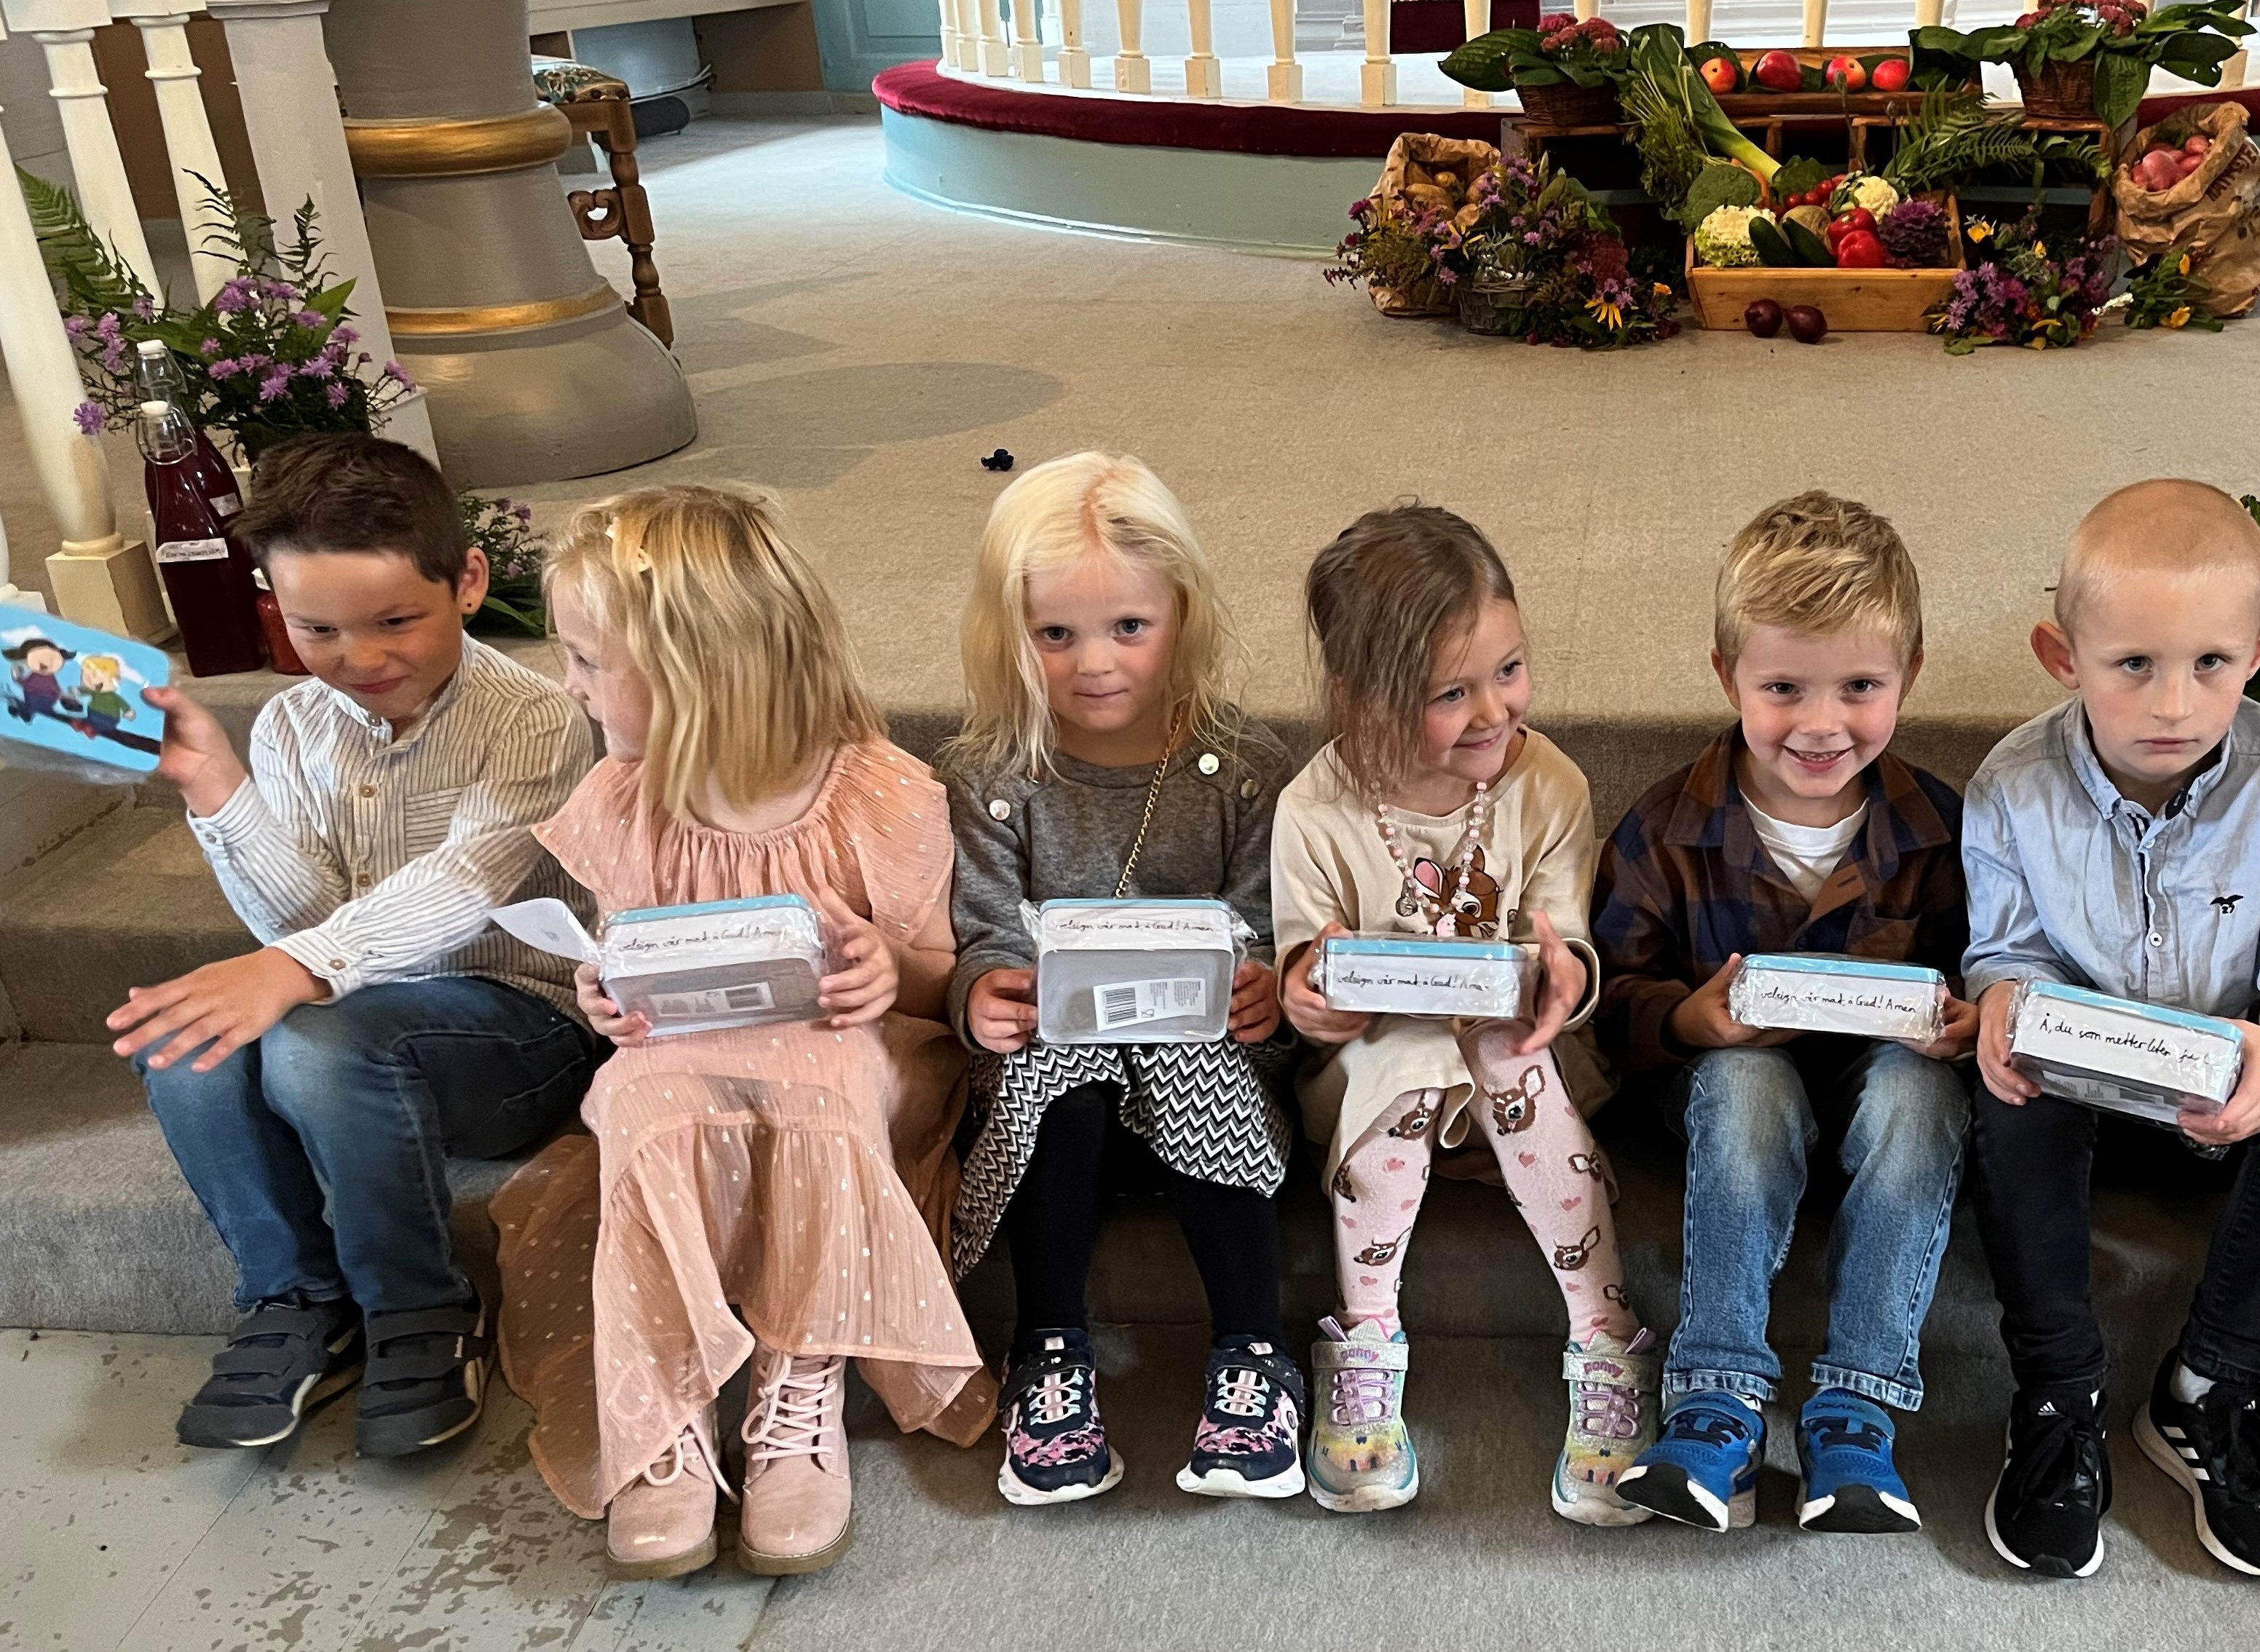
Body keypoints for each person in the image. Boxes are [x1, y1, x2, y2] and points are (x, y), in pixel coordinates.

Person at [491, 486, 988, 1580]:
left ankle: (796, 1374)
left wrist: (883, 966)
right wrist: (609, 994)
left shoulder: (879, 794)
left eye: (585, 659)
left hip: (864, 1065)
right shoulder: (627, 800)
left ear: (697, 672)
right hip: (699, 1063)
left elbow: (943, 987)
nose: (565, 683)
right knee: (631, 1093)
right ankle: (659, 1407)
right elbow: (633, 968)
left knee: (820, 1073)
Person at [112, 432, 596, 1459]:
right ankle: (295, 1294)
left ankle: (419, 1304)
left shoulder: (537, 718)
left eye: (395, 621)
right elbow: (307, 920)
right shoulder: (292, 725)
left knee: (317, 1038)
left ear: (467, 583)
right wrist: (217, 788)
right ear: (272, 612)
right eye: (317, 627)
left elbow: (468, 885)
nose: (360, 657)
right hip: (357, 1021)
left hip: (522, 1030)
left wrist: (294, 971)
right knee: (186, 1041)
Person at [1964, 480, 2260, 1581]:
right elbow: (2006, 951)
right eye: (2134, 666)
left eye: (2210, 663)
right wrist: (2004, 1006)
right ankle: (2058, 1388)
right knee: (2005, 1098)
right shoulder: (2013, 784)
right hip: (2083, 1096)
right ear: (2062, 656)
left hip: (2229, 1091)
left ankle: (2209, 1388)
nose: (2174, 702)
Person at [1592, 491, 1974, 1535]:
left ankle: (1858, 1401)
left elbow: (1984, 974)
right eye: (1782, 687)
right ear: (1728, 678)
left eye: (1860, 685)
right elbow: (1609, 999)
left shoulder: (1942, 829)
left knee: (1920, 1087)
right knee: (1747, 1079)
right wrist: (1688, 1021)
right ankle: (1716, 1394)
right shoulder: (1665, 826)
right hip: (1724, 1093)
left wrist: (1965, 1024)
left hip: (1882, 1088)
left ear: (1911, 676)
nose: (1820, 722)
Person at [1273, 504, 1656, 1524]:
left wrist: (1563, 971)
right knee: (1403, 1066)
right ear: (1360, 701)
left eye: (1510, 669)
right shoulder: (1315, 807)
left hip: (1520, 1060)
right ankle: (1363, 1335)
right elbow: (1304, 972)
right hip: (1374, 1076)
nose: (1493, 710)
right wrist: (1309, 997)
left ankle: (1606, 1335)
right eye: (1451, 693)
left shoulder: (1550, 784)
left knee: (1506, 1053)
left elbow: (1569, 937)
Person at [944, 452, 1303, 1506]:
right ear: (1011, 632)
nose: (1094, 662)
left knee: (1190, 1050)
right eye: (1056, 634)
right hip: (1061, 1089)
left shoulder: (1242, 767)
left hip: (1210, 1077)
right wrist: (983, 993)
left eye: (1128, 629)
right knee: (1058, 1046)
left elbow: (1265, 920)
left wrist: (1265, 984)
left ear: (1181, 615)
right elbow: (981, 930)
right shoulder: (992, 774)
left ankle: (1253, 1346)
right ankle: (1048, 1342)